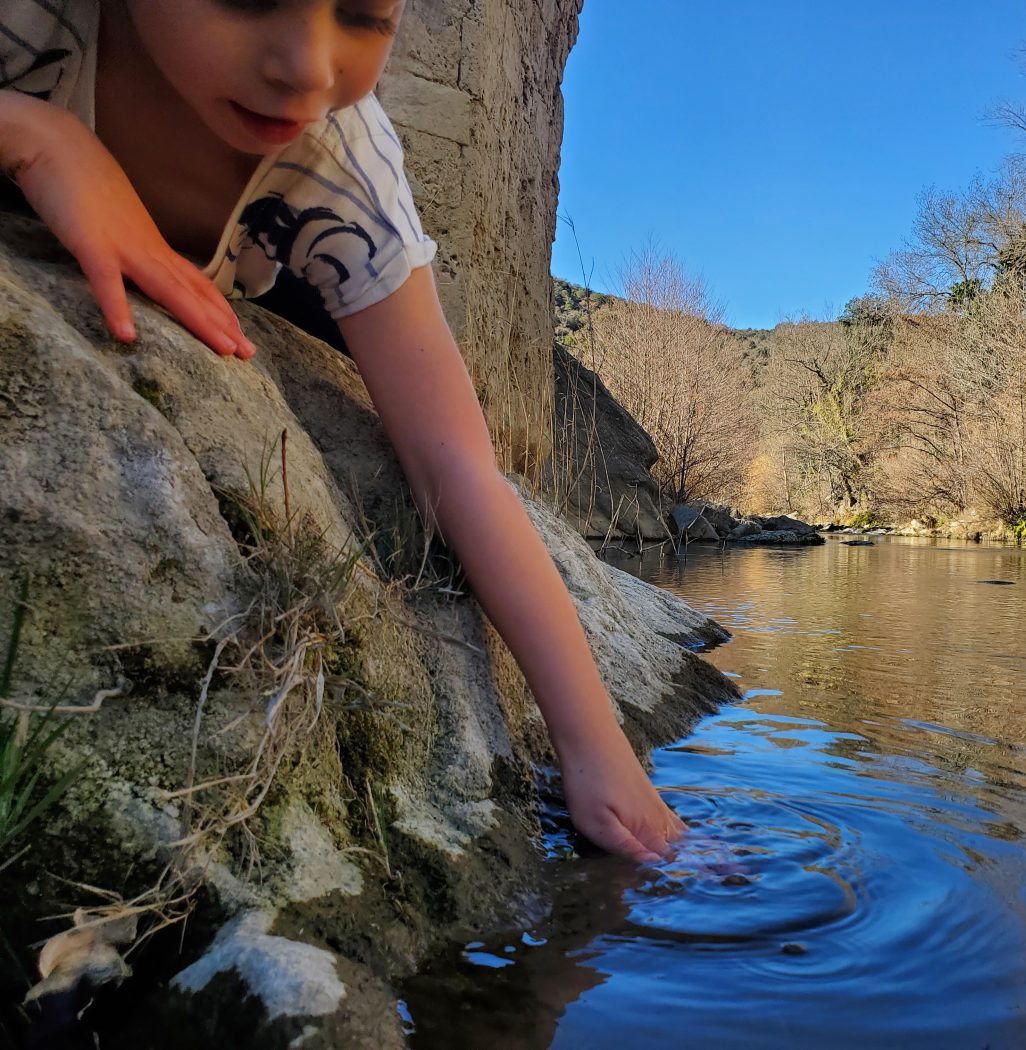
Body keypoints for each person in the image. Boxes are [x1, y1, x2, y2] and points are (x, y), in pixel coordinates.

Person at [0, 0, 686, 864]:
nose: (308, 67)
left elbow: (457, 466)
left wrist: (600, 752)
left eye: (365, 15)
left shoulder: (343, 162)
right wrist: (36, 137)